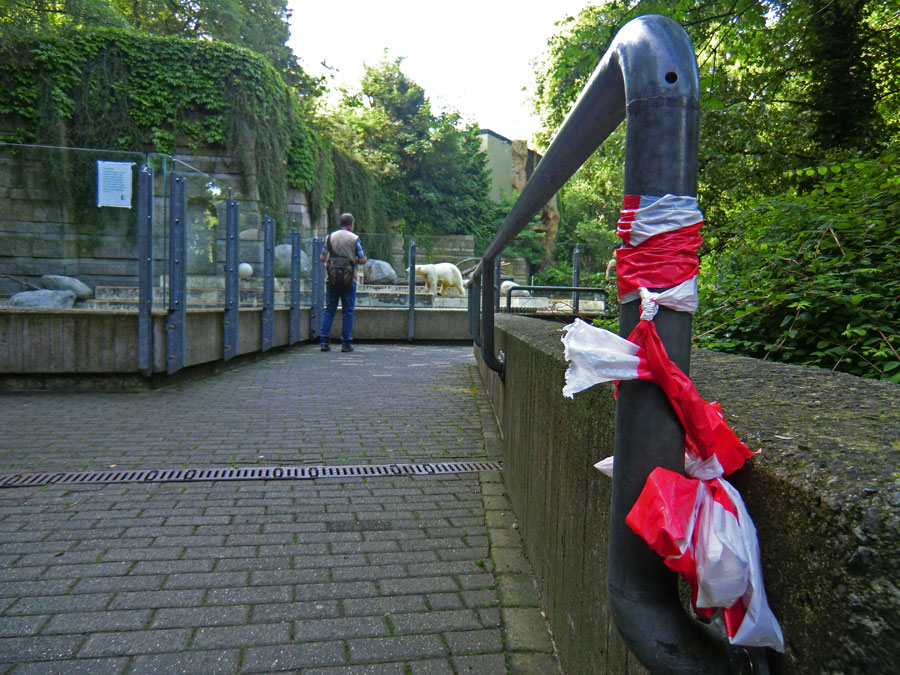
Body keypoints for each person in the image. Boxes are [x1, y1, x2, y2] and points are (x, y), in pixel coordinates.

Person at [319, 213, 367, 352]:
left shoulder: (329, 237)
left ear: (340, 223)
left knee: (329, 310)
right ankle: (346, 343)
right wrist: (351, 260)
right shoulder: (354, 238)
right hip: (349, 279)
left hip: (331, 278)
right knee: (348, 311)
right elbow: (362, 259)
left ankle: (324, 342)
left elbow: (323, 257)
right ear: (351, 225)